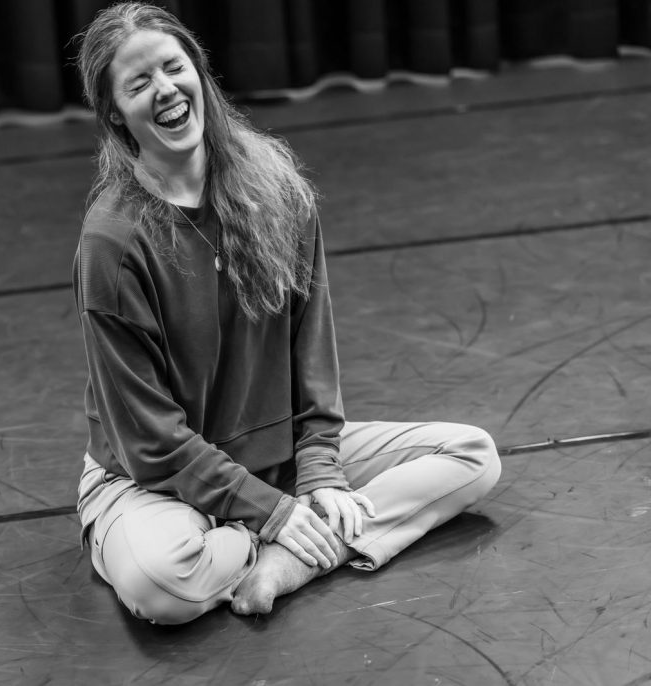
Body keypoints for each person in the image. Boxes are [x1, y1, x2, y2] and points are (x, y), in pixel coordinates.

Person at [72, 1, 502, 626]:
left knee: (471, 456)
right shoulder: (112, 242)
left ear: (199, 70)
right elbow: (149, 439)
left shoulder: (273, 186)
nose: (165, 88)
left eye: (173, 66)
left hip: (278, 455)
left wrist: (320, 468)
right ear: (115, 112)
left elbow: (312, 352)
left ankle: (294, 557)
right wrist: (270, 511)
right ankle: (302, 535)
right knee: (162, 585)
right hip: (154, 480)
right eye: (139, 84)